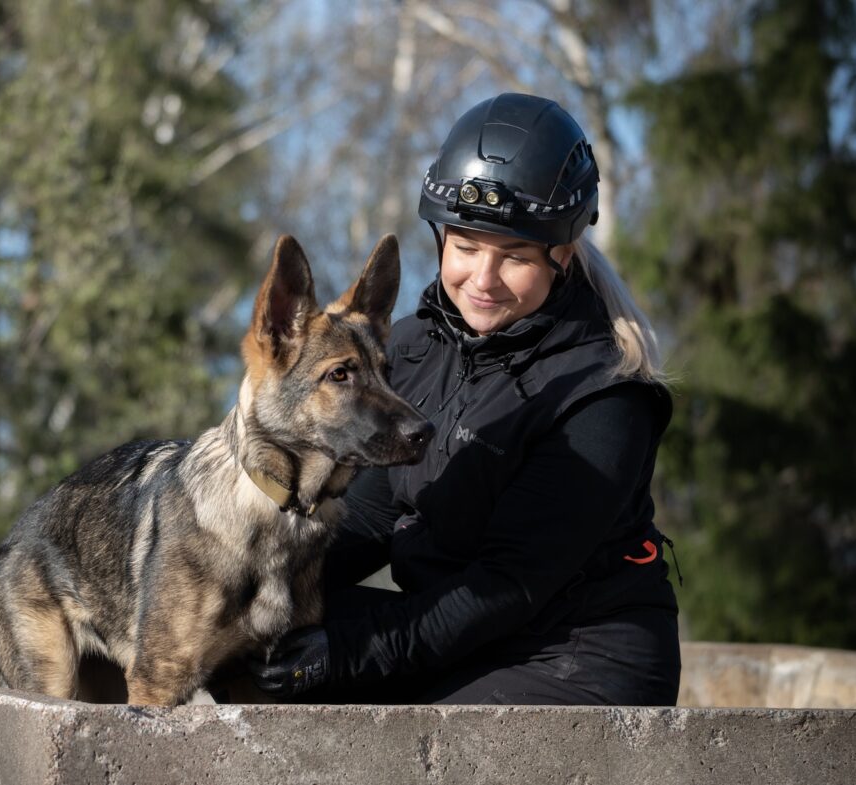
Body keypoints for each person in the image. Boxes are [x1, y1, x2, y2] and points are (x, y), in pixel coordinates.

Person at [248, 93, 681, 706]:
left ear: (562, 253)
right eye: (467, 246)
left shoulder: (607, 394)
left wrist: (349, 654)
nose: (482, 279)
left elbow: (508, 586)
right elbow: (371, 516)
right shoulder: (417, 345)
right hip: (451, 630)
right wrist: (255, 584)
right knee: (250, 640)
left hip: (570, 660)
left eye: (516, 257)